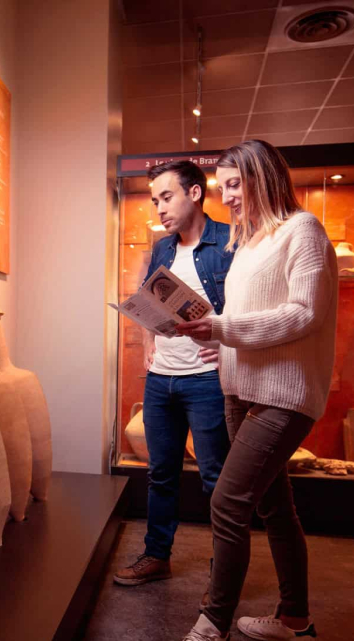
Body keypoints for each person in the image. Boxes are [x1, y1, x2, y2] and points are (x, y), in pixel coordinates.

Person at [164, 140, 338, 641]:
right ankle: (296, 622)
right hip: (240, 389)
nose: (228, 197)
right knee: (273, 508)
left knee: (227, 502)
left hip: (284, 396)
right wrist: (221, 340)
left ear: (265, 177)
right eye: (223, 187)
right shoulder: (249, 243)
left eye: (235, 184)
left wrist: (224, 328)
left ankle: (213, 628)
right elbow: (252, 320)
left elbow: (304, 313)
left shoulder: (302, 230)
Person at [113, 161, 233, 586]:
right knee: (160, 473)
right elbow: (152, 302)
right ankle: (155, 555)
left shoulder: (228, 243)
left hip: (206, 381)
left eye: (167, 197)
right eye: (154, 200)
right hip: (161, 379)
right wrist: (148, 343)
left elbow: (244, 312)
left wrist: (230, 351)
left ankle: (225, 570)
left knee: (214, 478)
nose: (159, 208)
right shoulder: (163, 248)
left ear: (195, 194)